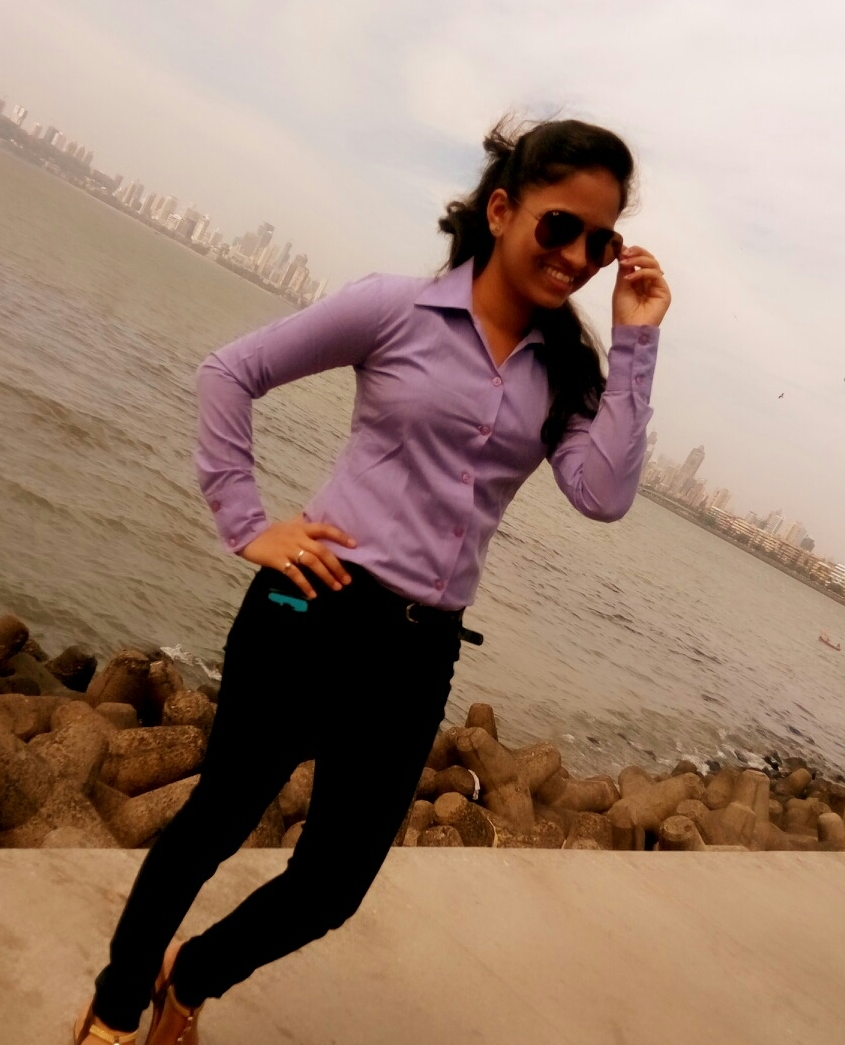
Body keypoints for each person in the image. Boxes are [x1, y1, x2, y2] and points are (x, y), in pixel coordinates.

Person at [74, 116, 671, 1044]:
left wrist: (635, 342)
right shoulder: (394, 309)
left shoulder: (565, 372)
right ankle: (114, 1010)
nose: (577, 257)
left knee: (334, 883)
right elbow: (230, 373)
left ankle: (190, 974)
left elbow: (602, 495)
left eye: (600, 241)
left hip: (421, 649)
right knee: (215, 822)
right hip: (308, 604)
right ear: (502, 210)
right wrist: (248, 524)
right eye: (561, 226)